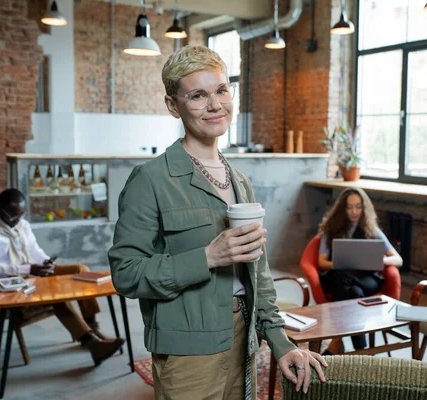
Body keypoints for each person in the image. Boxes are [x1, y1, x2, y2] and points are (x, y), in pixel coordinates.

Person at [108, 45, 326, 399]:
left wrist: (280, 341)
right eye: (197, 95)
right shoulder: (151, 180)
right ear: (172, 105)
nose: (215, 105)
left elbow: (259, 271)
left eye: (222, 90)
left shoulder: (239, 180)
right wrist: (207, 257)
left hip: (244, 338)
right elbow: (126, 273)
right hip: (188, 347)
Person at [0, 188, 124, 365]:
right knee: (54, 294)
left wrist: (46, 262)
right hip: (8, 282)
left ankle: (92, 326)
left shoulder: (21, 224)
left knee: (80, 269)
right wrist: (29, 269)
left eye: (21, 214)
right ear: (1, 211)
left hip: (32, 271)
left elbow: (34, 250)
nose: (19, 220)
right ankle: (91, 343)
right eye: (14, 216)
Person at [318, 187, 403, 353]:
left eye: (358, 207)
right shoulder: (331, 229)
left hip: (367, 279)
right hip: (339, 278)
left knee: (345, 278)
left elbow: (398, 259)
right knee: (353, 290)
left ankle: (337, 340)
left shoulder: (372, 229)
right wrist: (342, 262)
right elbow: (321, 262)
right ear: (342, 209)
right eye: (349, 207)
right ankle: (361, 350)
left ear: (364, 208)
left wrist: (379, 260)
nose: (354, 212)